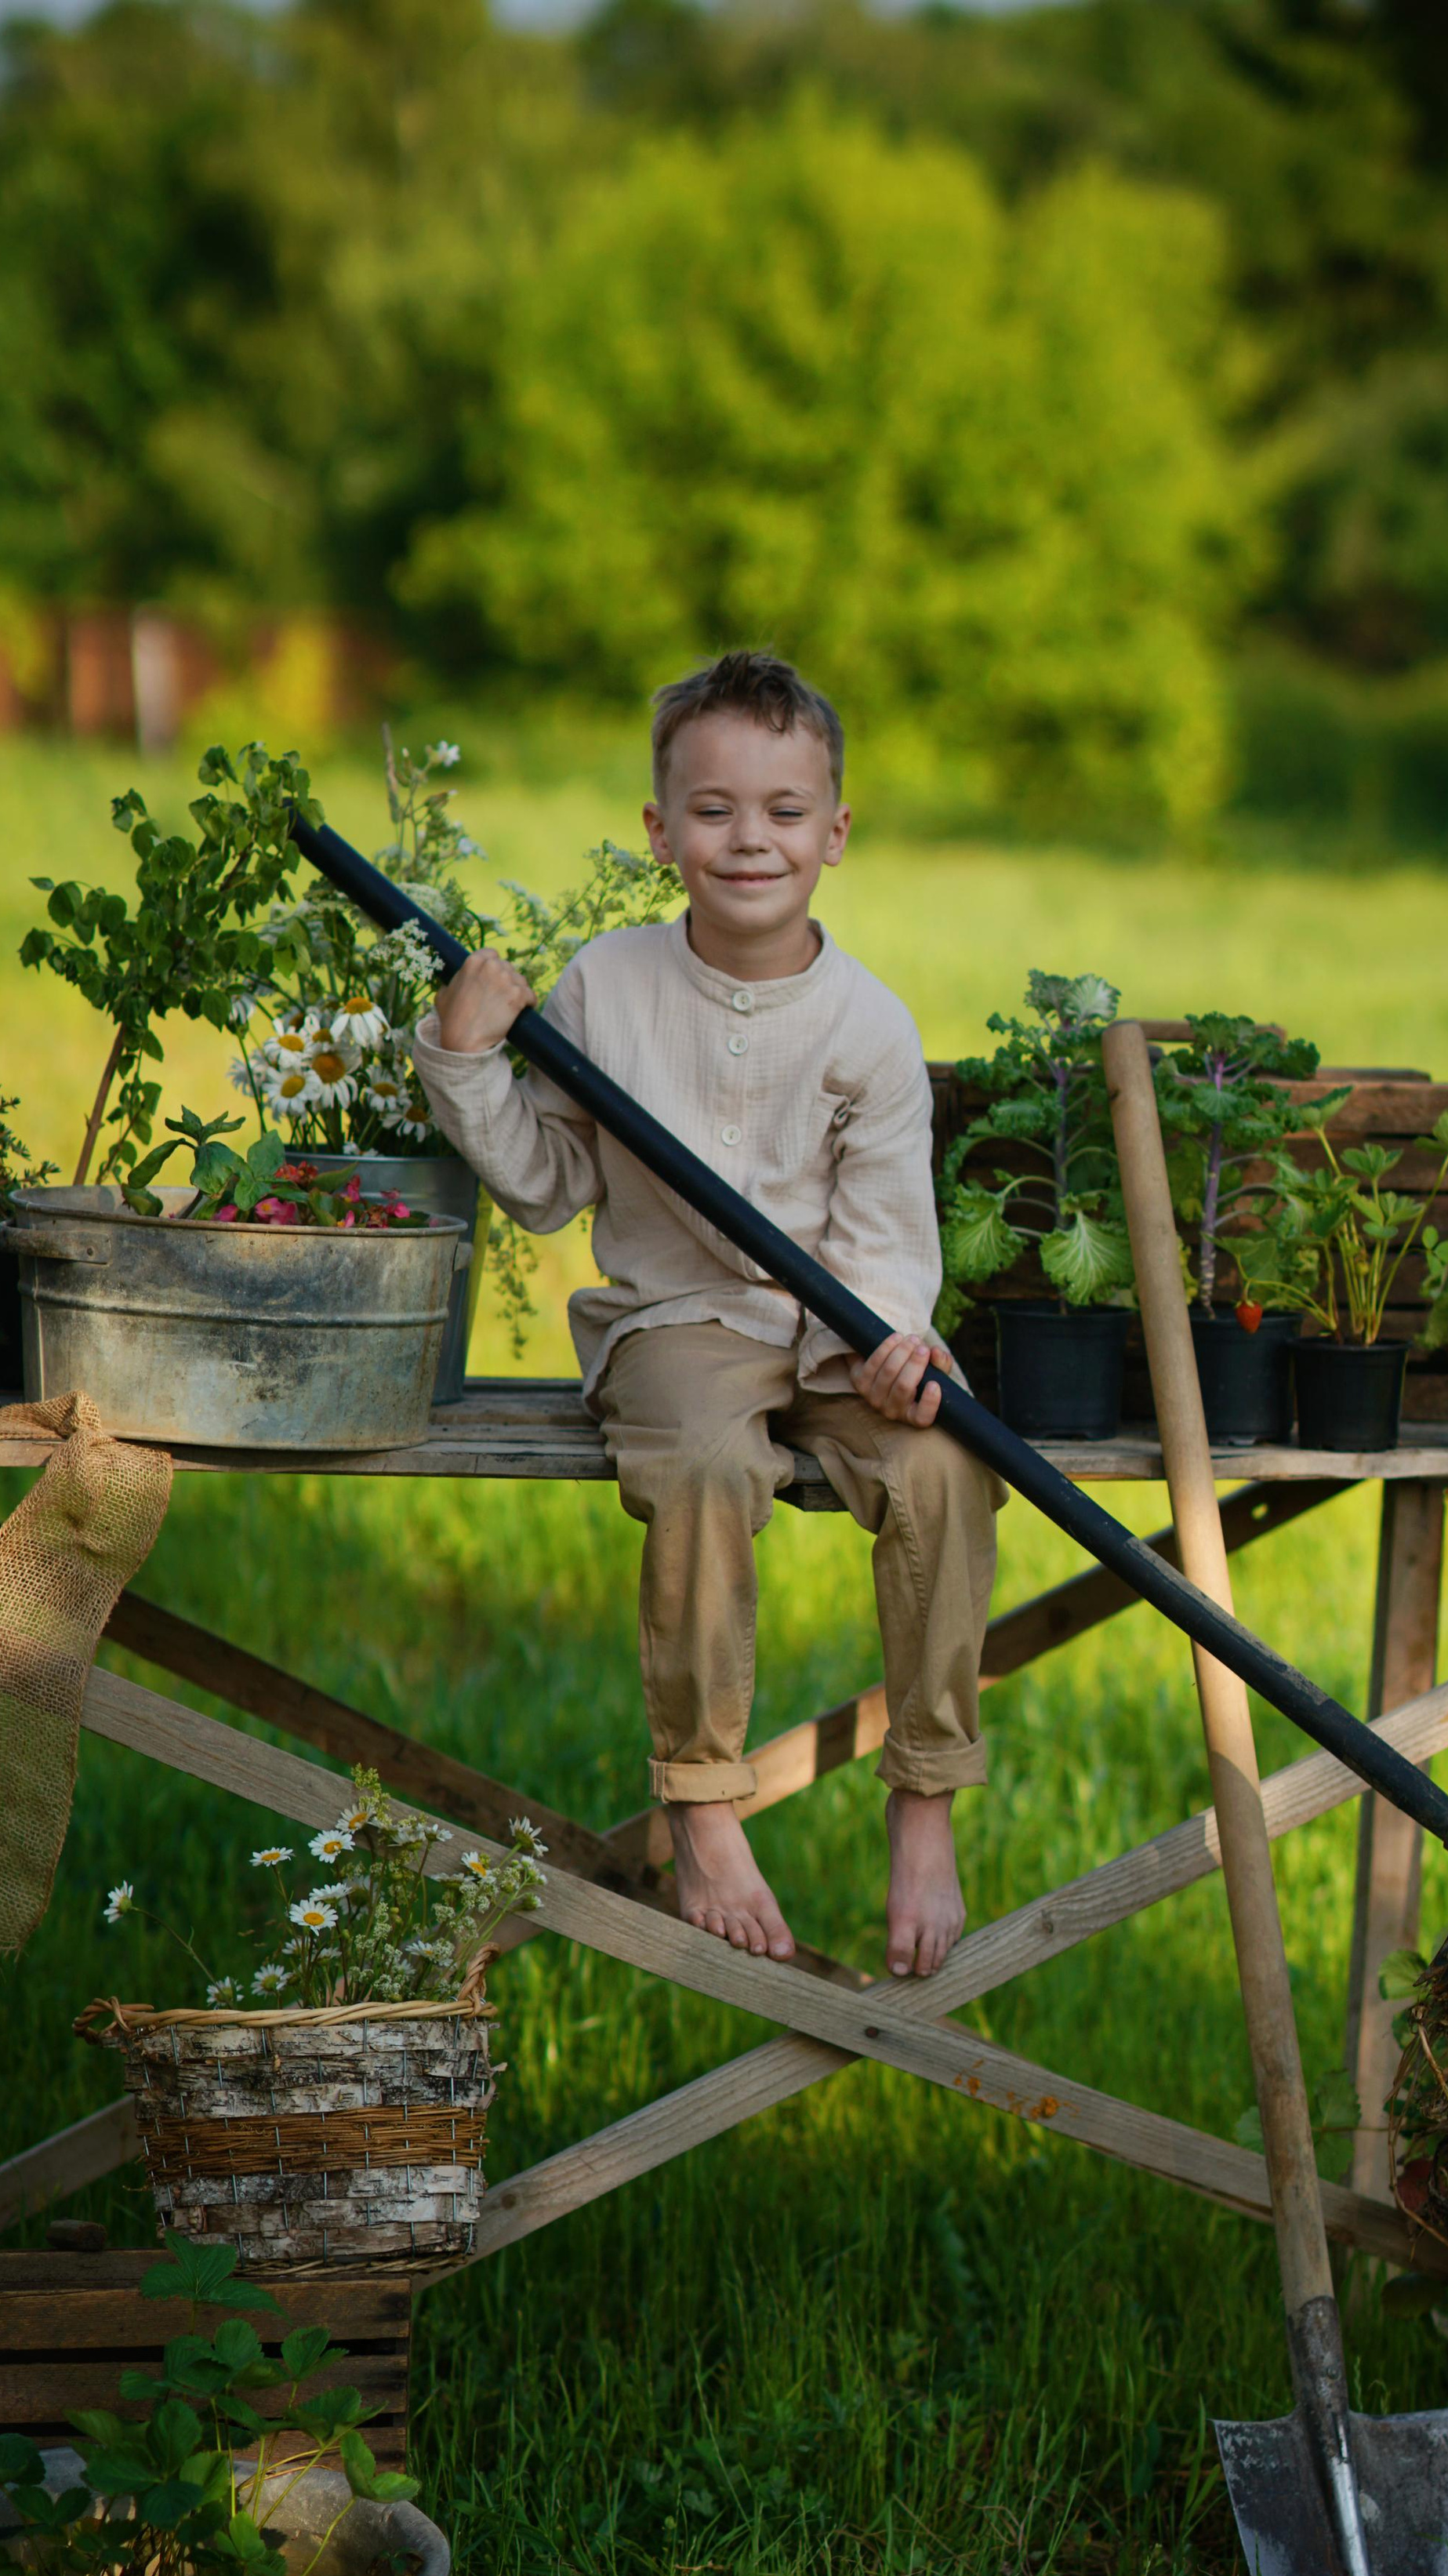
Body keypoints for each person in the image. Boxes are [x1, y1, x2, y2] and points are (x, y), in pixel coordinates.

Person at [411, 649, 1001, 1978]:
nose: (752, 839)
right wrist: (465, 1056)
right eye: (717, 808)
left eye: (786, 810)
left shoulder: (870, 1028)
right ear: (661, 829)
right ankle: (702, 1795)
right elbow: (550, 1182)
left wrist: (897, 1344)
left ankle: (926, 1789)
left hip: (838, 1325)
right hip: (675, 1322)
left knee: (947, 1460)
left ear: (835, 833)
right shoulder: (606, 990)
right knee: (706, 1460)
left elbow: (890, 1246)